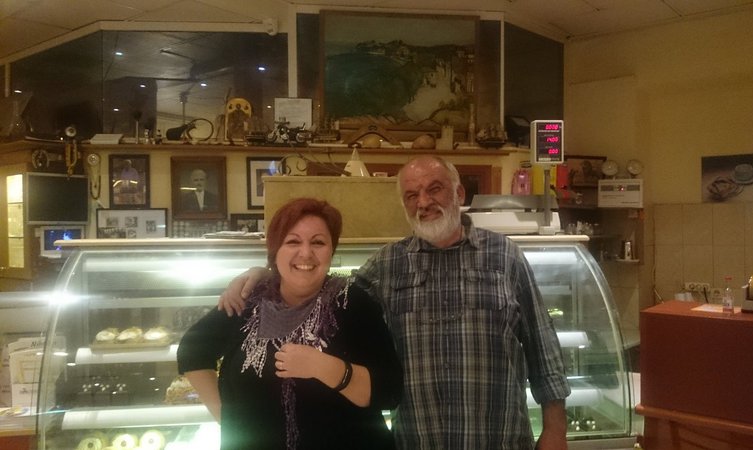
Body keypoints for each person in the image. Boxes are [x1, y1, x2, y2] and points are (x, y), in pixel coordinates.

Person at [219, 156, 570, 450]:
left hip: (499, 439)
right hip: (416, 442)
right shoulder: (388, 264)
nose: (423, 202)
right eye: (411, 195)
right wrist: (267, 274)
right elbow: (320, 291)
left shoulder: (505, 256)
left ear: (459, 193)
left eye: (434, 189)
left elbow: (542, 345)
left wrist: (555, 430)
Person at [178, 198, 403, 450]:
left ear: (331, 250)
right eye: (293, 242)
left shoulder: (353, 301)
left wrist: (324, 367)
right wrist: (230, 420)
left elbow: (389, 391)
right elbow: (192, 351)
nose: (305, 253)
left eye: (318, 242)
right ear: (275, 250)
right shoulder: (248, 298)